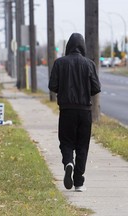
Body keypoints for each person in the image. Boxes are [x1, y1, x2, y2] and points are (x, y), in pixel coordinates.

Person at [48, 33, 101, 192]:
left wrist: (64, 88)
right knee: (82, 146)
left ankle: (68, 163)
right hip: (85, 111)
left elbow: (53, 86)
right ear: (83, 46)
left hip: (66, 110)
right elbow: (96, 88)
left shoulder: (59, 63)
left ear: (68, 46)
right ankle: (79, 182)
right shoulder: (89, 64)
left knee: (66, 142)